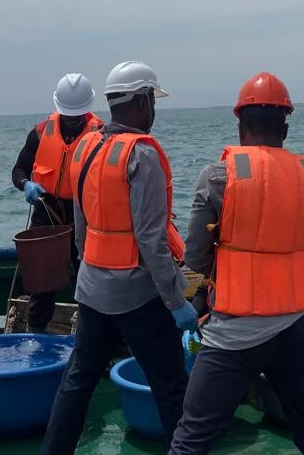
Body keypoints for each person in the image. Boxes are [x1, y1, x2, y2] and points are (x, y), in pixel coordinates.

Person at [169, 73, 304, 455]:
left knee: (192, 435)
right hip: (295, 326)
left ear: (240, 127)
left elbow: (195, 256)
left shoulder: (218, 176)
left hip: (234, 331)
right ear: (285, 129)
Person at [41, 62, 194, 455]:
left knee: (78, 381)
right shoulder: (142, 154)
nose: (153, 110)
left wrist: (90, 271)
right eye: (152, 101)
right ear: (141, 101)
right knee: (170, 385)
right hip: (137, 294)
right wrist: (176, 301)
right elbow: (151, 239)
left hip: (93, 288)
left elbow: (80, 226)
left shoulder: (86, 148)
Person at [11, 73, 103, 333]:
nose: (72, 119)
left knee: (90, 279)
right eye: (68, 114)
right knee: (42, 282)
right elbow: (18, 169)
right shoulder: (40, 133)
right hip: (46, 210)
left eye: (77, 115)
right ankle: (36, 333)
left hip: (84, 215)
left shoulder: (101, 135)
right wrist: (25, 184)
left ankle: (91, 335)